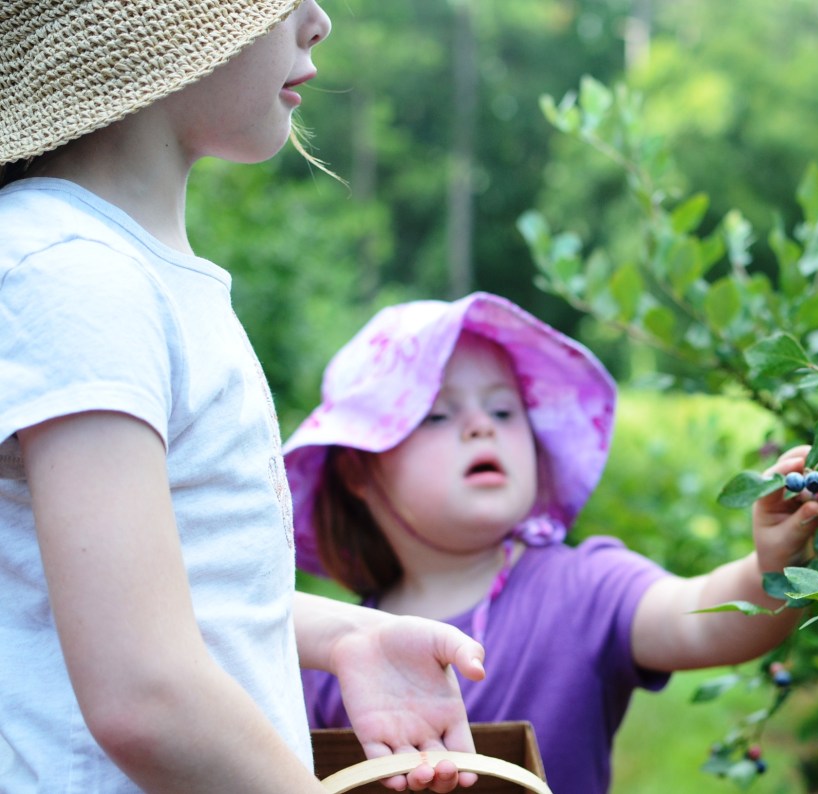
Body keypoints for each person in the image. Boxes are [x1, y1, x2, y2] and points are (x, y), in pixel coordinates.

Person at [0, 3, 488, 792]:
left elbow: (150, 594)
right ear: (160, 20)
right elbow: (145, 694)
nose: (317, 21)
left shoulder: (114, 269)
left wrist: (344, 635)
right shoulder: (76, 277)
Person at [284, 291, 818, 794]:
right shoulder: (333, 653)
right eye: (437, 414)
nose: (481, 426)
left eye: (503, 410)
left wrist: (772, 568)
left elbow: (701, 617)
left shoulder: (585, 588)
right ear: (357, 469)